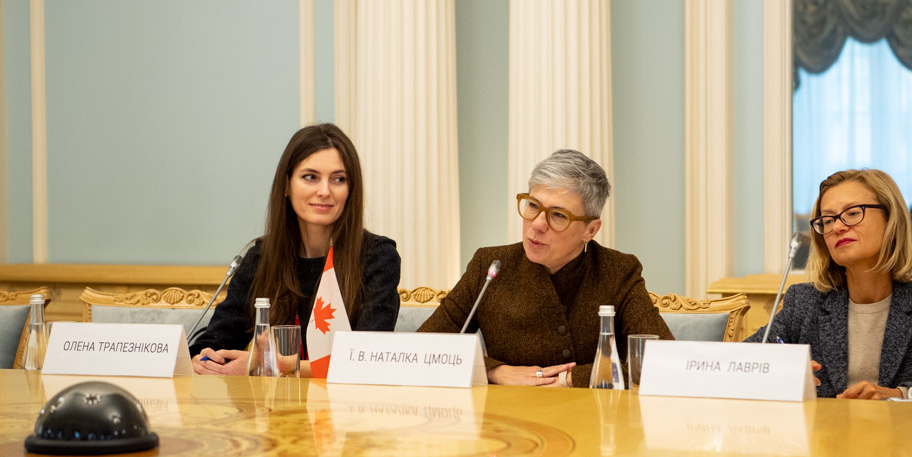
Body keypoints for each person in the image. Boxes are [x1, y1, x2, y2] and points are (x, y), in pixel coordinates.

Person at [746, 168, 912, 400]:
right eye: (827, 220)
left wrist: (901, 394)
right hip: (823, 444)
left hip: (905, 446)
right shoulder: (804, 304)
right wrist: (780, 372)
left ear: (890, 219)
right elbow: (736, 366)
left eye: (853, 213)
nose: (837, 227)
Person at [419, 149, 673, 387]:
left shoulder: (617, 271)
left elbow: (664, 362)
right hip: (504, 413)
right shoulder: (490, 265)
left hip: (591, 414)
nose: (537, 224)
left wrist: (568, 378)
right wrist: (493, 371)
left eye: (558, 215)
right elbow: (423, 349)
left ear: (591, 230)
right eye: (533, 205)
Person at [191, 123, 400, 375]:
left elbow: (368, 357)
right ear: (286, 185)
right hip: (275, 401)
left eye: (338, 179)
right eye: (311, 177)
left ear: (350, 190)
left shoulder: (377, 257)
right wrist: (205, 358)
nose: (324, 191)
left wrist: (280, 365)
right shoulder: (261, 258)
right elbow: (217, 340)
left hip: (347, 399)